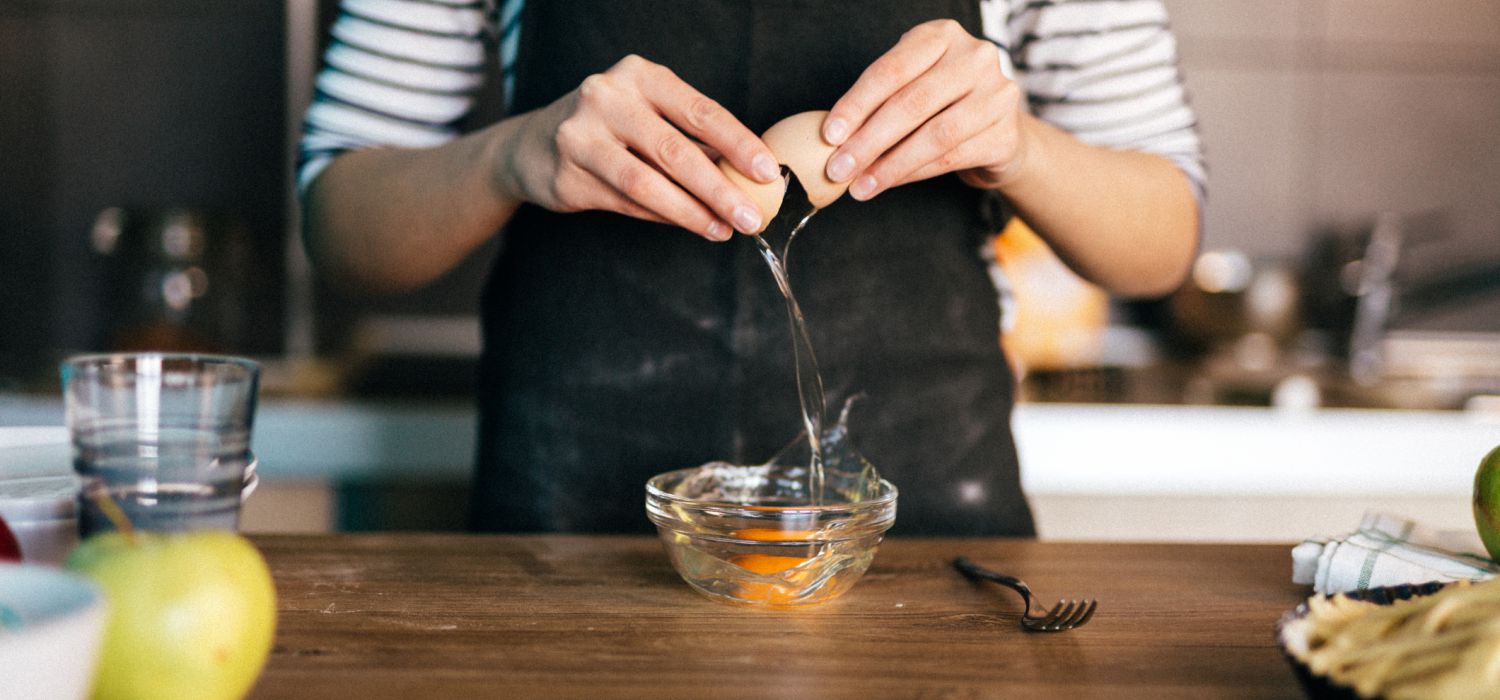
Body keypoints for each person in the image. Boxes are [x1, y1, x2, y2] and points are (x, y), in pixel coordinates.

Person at [299, 0, 1204, 535]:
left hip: (923, 534)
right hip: (564, 532)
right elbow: (343, 230)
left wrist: (1018, 147)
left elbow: (1162, 239)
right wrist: (510, 157)